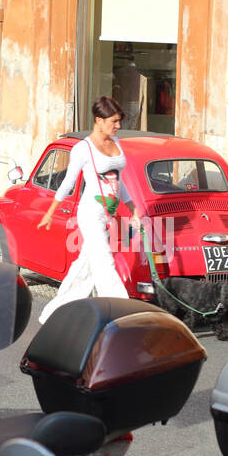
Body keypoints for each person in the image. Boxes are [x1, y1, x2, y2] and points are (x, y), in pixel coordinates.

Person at [37, 96, 142, 324]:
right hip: (90, 213)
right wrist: (50, 211)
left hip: (109, 213)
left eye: (118, 121)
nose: (118, 126)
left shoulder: (116, 143)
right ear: (99, 120)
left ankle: (53, 314)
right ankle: (123, 317)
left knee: (84, 269)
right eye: (114, 121)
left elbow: (118, 182)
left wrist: (133, 209)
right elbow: (68, 182)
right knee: (105, 262)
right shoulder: (82, 149)